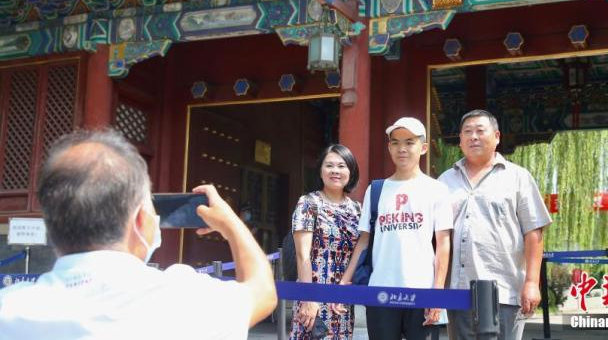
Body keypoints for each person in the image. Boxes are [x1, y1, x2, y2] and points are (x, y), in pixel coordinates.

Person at [0, 129, 277, 339]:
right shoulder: (182, 300)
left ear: (51, 223)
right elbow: (262, 292)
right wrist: (231, 224)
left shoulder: (10, 310)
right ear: (142, 220)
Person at [438, 110, 552, 340]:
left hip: (505, 291)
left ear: (497, 136)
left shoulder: (518, 177)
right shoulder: (445, 180)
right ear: (460, 140)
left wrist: (532, 282)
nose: (473, 137)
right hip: (458, 292)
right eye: (467, 132)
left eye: (480, 131)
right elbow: (438, 238)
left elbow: (534, 232)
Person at [339, 117, 452, 340]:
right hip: (380, 290)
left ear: (423, 147)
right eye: (396, 142)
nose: (402, 148)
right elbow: (364, 240)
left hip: (422, 291)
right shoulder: (376, 189)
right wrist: (345, 279)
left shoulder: (437, 189)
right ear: (389, 147)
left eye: (409, 142)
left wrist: (437, 292)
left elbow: (443, 244)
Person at [290, 144, 362, 340]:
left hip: (342, 298)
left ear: (351, 171)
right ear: (320, 171)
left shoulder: (357, 209)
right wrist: (308, 297)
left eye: (341, 166)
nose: (335, 171)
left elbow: (360, 252)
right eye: (329, 165)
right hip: (312, 291)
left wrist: (345, 287)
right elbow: (302, 255)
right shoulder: (309, 203)